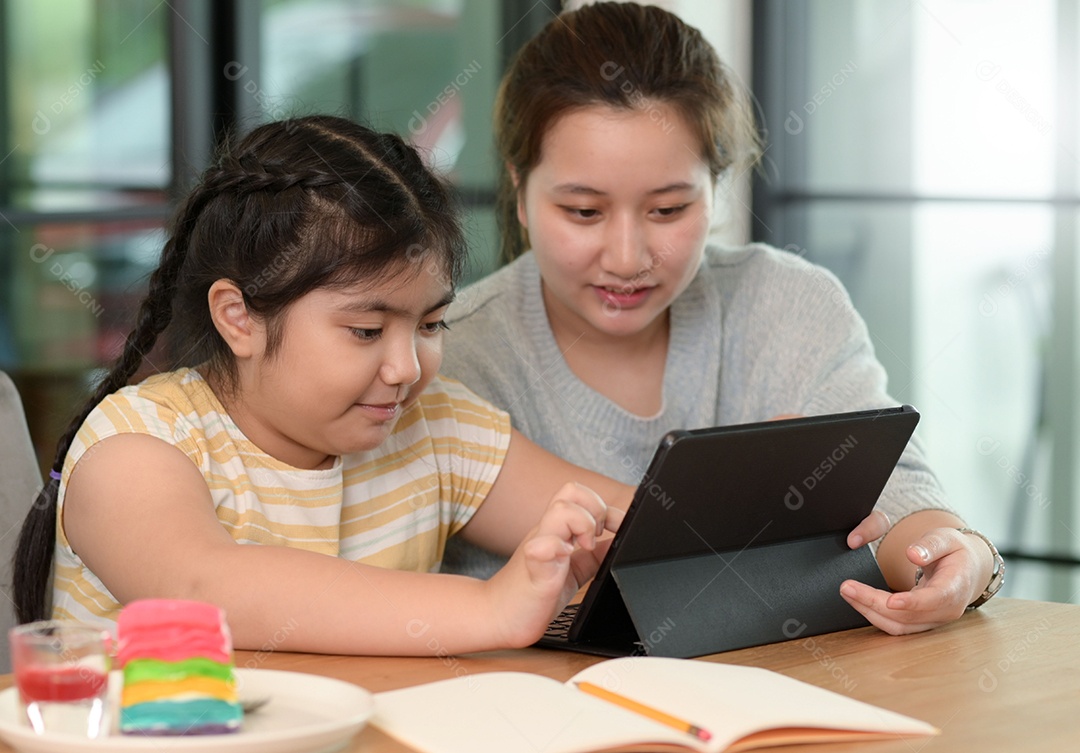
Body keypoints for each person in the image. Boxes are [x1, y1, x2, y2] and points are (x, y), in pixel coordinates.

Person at [439, 1, 1003, 634]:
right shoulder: (446, 351)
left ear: (717, 188)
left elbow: (898, 500)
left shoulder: (789, 306)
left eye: (668, 210)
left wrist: (955, 562)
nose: (627, 259)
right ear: (519, 191)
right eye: (584, 213)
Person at [12, 115, 633, 656]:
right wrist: (491, 608)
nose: (406, 368)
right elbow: (204, 589)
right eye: (366, 330)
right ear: (240, 318)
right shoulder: (136, 446)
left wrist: (594, 543)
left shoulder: (432, 424)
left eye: (431, 323)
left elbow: (649, 524)